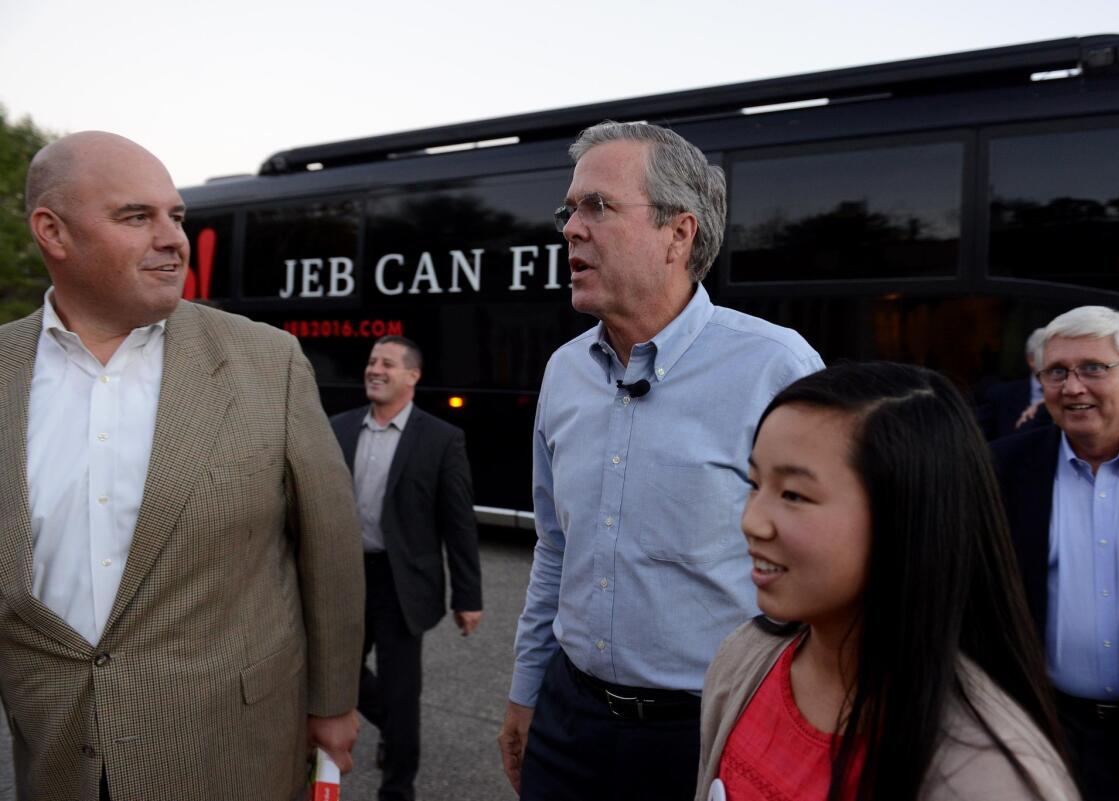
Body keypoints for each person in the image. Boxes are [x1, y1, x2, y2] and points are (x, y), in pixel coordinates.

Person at [0, 131, 364, 800]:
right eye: (136, 217)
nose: (173, 238)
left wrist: (334, 701)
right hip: (57, 752)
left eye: (177, 216)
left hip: (228, 748)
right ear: (52, 232)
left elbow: (331, 545)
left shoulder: (267, 361)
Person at [497, 120, 824, 801]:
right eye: (569, 209)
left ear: (680, 233)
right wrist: (527, 691)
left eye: (598, 206)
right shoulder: (563, 373)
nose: (570, 229)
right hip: (569, 721)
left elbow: (825, 567)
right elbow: (554, 549)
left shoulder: (775, 366)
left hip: (711, 733)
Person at [698, 362, 1079, 801]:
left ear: (905, 513)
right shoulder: (745, 659)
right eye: (754, 483)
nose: (753, 522)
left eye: (794, 495)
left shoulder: (985, 776)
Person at [991, 306, 1119, 801]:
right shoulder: (1003, 468)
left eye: (1092, 368)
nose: (1072, 387)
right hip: (1043, 732)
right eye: (1056, 372)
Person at [330, 335, 483, 801]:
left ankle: (398, 789)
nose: (375, 369)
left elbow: (458, 524)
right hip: (346, 579)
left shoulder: (440, 439)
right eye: (372, 361)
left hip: (402, 585)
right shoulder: (338, 429)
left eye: (388, 364)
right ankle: (391, 728)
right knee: (339, 675)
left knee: (401, 691)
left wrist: (467, 597)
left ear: (412, 376)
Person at [977, 326, 1048, 439]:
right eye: (1049, 355)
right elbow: (978, 440)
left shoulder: (1074, 392)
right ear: (1031, 360)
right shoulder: (1000, 395)